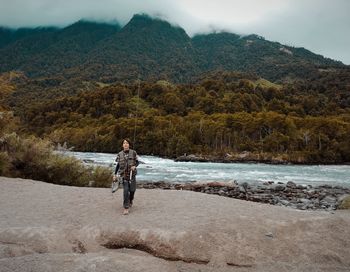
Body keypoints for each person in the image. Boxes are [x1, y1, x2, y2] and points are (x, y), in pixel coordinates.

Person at [113, 138, 139, 215]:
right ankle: (126, 208)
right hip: (123, 175)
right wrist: (115, 174)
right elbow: (118, 165)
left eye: (127, 143)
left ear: (129, 145)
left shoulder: (134, 153)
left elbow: (137, 162)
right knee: (125, 191)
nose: (125, 144)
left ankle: (131, 200)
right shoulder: (119, 154)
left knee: (132, 190)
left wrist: (134, 166)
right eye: (124, 143)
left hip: (132, 175)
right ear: (122, 145)